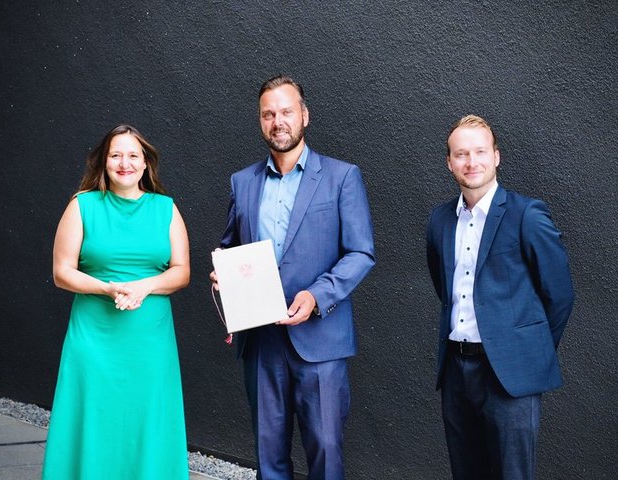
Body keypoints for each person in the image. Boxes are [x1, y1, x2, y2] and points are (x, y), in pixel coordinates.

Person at [210, 74, 375, 479]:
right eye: (268, 114)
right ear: (260, 121)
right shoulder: (242, 181)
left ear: (304, 116)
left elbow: (361, 252)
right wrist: (223, 273)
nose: (277, 121)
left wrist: (318, 296)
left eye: (286, 111)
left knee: (325, 453)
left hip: (320, 342)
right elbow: (231, 245)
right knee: (269, 457)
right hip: (262, 341)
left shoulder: (342, 176)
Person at [426, 114, 575, 479]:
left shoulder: (526, 215)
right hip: (457, 372)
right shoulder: (439, 221)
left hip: (510, 373)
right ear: (449, 162)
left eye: (480, 152)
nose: (471, 162)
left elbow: (560, 294)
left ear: (496, 156)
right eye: (461, 154)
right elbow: (444, 287)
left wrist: (525, 347)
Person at [42, 124, 190, 480]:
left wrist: (145, 286)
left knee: (146, 419)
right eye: (116, 155)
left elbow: (181, 271)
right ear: (104, 162)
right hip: (94, 338)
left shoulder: (165, 208)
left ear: (145, 164)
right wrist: (108, 289)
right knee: (93, 417)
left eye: (132, 155)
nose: (125, 163)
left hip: (149, 340)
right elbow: (62, 272)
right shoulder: (82, 205)